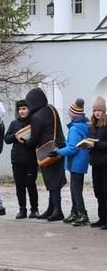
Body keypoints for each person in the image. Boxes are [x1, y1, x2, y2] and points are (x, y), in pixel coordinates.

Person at [23, 87, 67, 221]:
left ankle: (57, 210)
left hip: (46, 151)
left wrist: (24, 142)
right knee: (55, 180)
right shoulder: (51, 109)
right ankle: (51, 208)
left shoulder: (37, 117)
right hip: (59, 148)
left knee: (51, 180)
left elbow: (34, 140)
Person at [54, 99, 90, 226]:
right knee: (75, 188)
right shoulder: (85, 125)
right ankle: (75, 212)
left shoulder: (75, 129)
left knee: (75, 189)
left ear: (72, 114)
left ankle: (82, 213)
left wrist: (57, 152)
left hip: (76, 162)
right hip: (81, 162)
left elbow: (72, 148)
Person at [4, 100, 39, 219]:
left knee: (31, 184)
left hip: (30, 160)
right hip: (17, 159)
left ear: (28, 110)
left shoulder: (33, 123)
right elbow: (7, 139)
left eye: (24, 108)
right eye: (20, 109)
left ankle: (34, 209)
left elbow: (36, 140)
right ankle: (22, 210)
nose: (22, 111)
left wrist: (26, 141)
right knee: (19, 185)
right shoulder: (14, 123)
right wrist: (15, 135)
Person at [87, 96, 107, 229]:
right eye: (95, 110)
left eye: (100, 110)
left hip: (105, 163)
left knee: (106, 192)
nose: (97, 113)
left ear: (104, 111)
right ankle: (101, 218)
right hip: (95, 163)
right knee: (98, 192)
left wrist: (97, 145)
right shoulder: (92, 126)